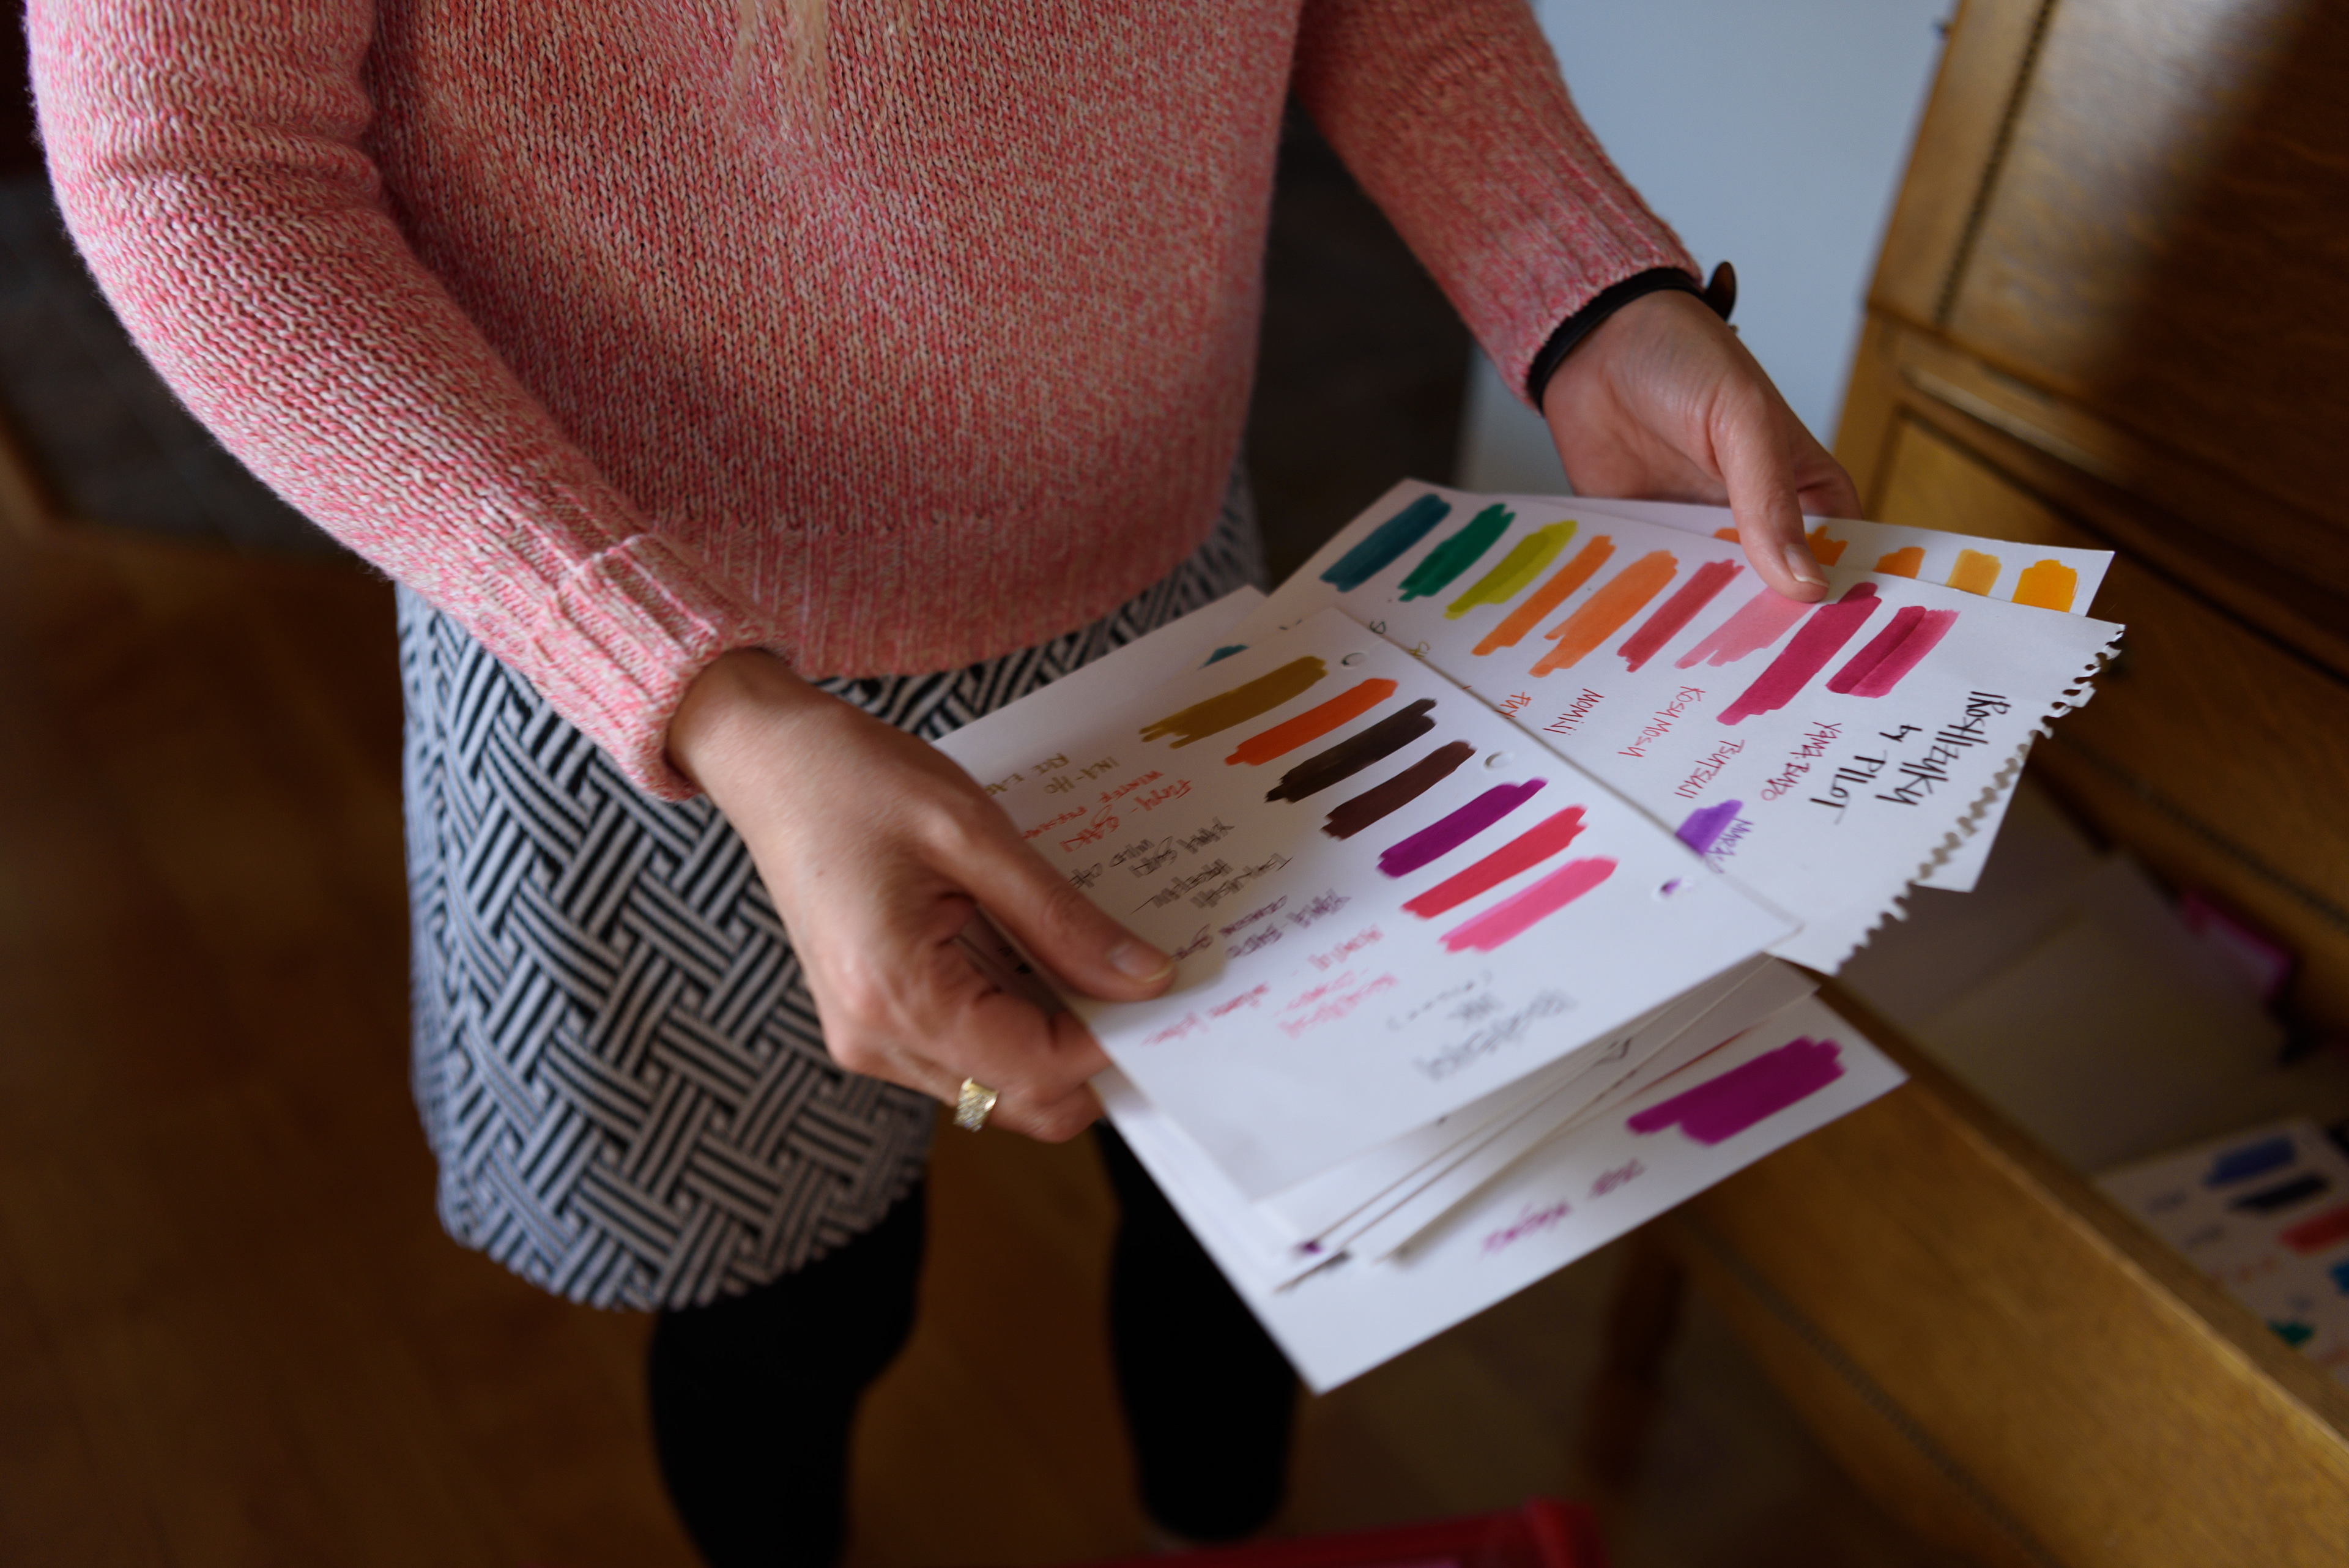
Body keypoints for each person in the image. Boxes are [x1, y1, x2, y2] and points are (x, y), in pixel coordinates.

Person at [29, 1, 1860, 1562]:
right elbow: (193, 162)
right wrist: (703, 693)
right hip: (637, 665)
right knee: (789, 1302)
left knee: (1250, 1224)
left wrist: (1586, 290)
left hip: (1160, 571)